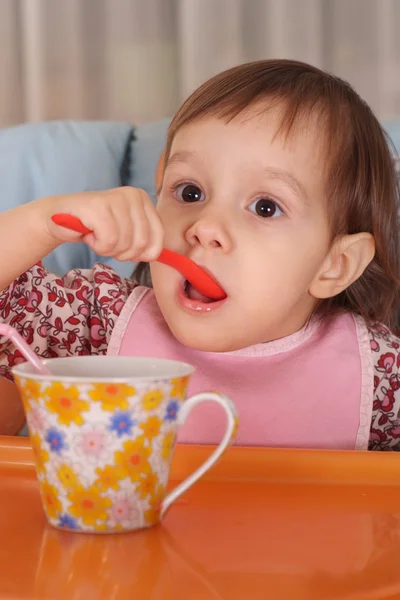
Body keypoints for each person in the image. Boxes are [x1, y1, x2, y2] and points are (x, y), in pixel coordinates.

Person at [0, 59, 398, 449]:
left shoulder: (380, 377)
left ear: (336, 264)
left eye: (265, 207)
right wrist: (43, 223)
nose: (205, 226)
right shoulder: (97, 322)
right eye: (190, 192)